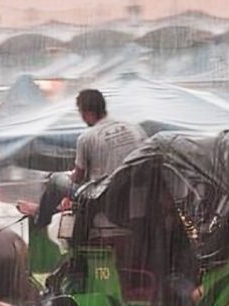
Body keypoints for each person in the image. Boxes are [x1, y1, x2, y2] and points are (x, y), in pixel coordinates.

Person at [16, 89, 147, 227]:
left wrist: (70, 177)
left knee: (55, 181)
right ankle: (50, 210)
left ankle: (40, 219)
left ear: (86, 112)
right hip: (136, 195)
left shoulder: (87, 137)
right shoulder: (135, 129)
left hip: (104, 198)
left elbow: (78, 178)